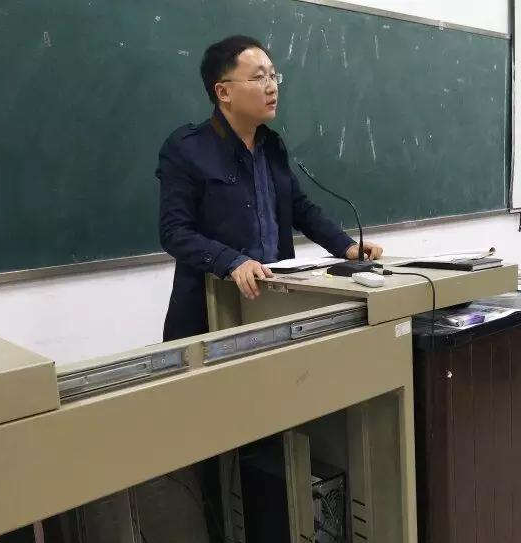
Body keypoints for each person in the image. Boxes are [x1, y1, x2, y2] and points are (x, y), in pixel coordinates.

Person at [156, 35, 383, 341]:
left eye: (273, 76)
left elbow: (300, 209)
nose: (272, 87)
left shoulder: (272, 145)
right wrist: (232, 262)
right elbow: (175, 232)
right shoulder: (187, 149)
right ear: (223, 92)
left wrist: (346, 246)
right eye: (259, 77)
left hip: (274, 302)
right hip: (213, 310)